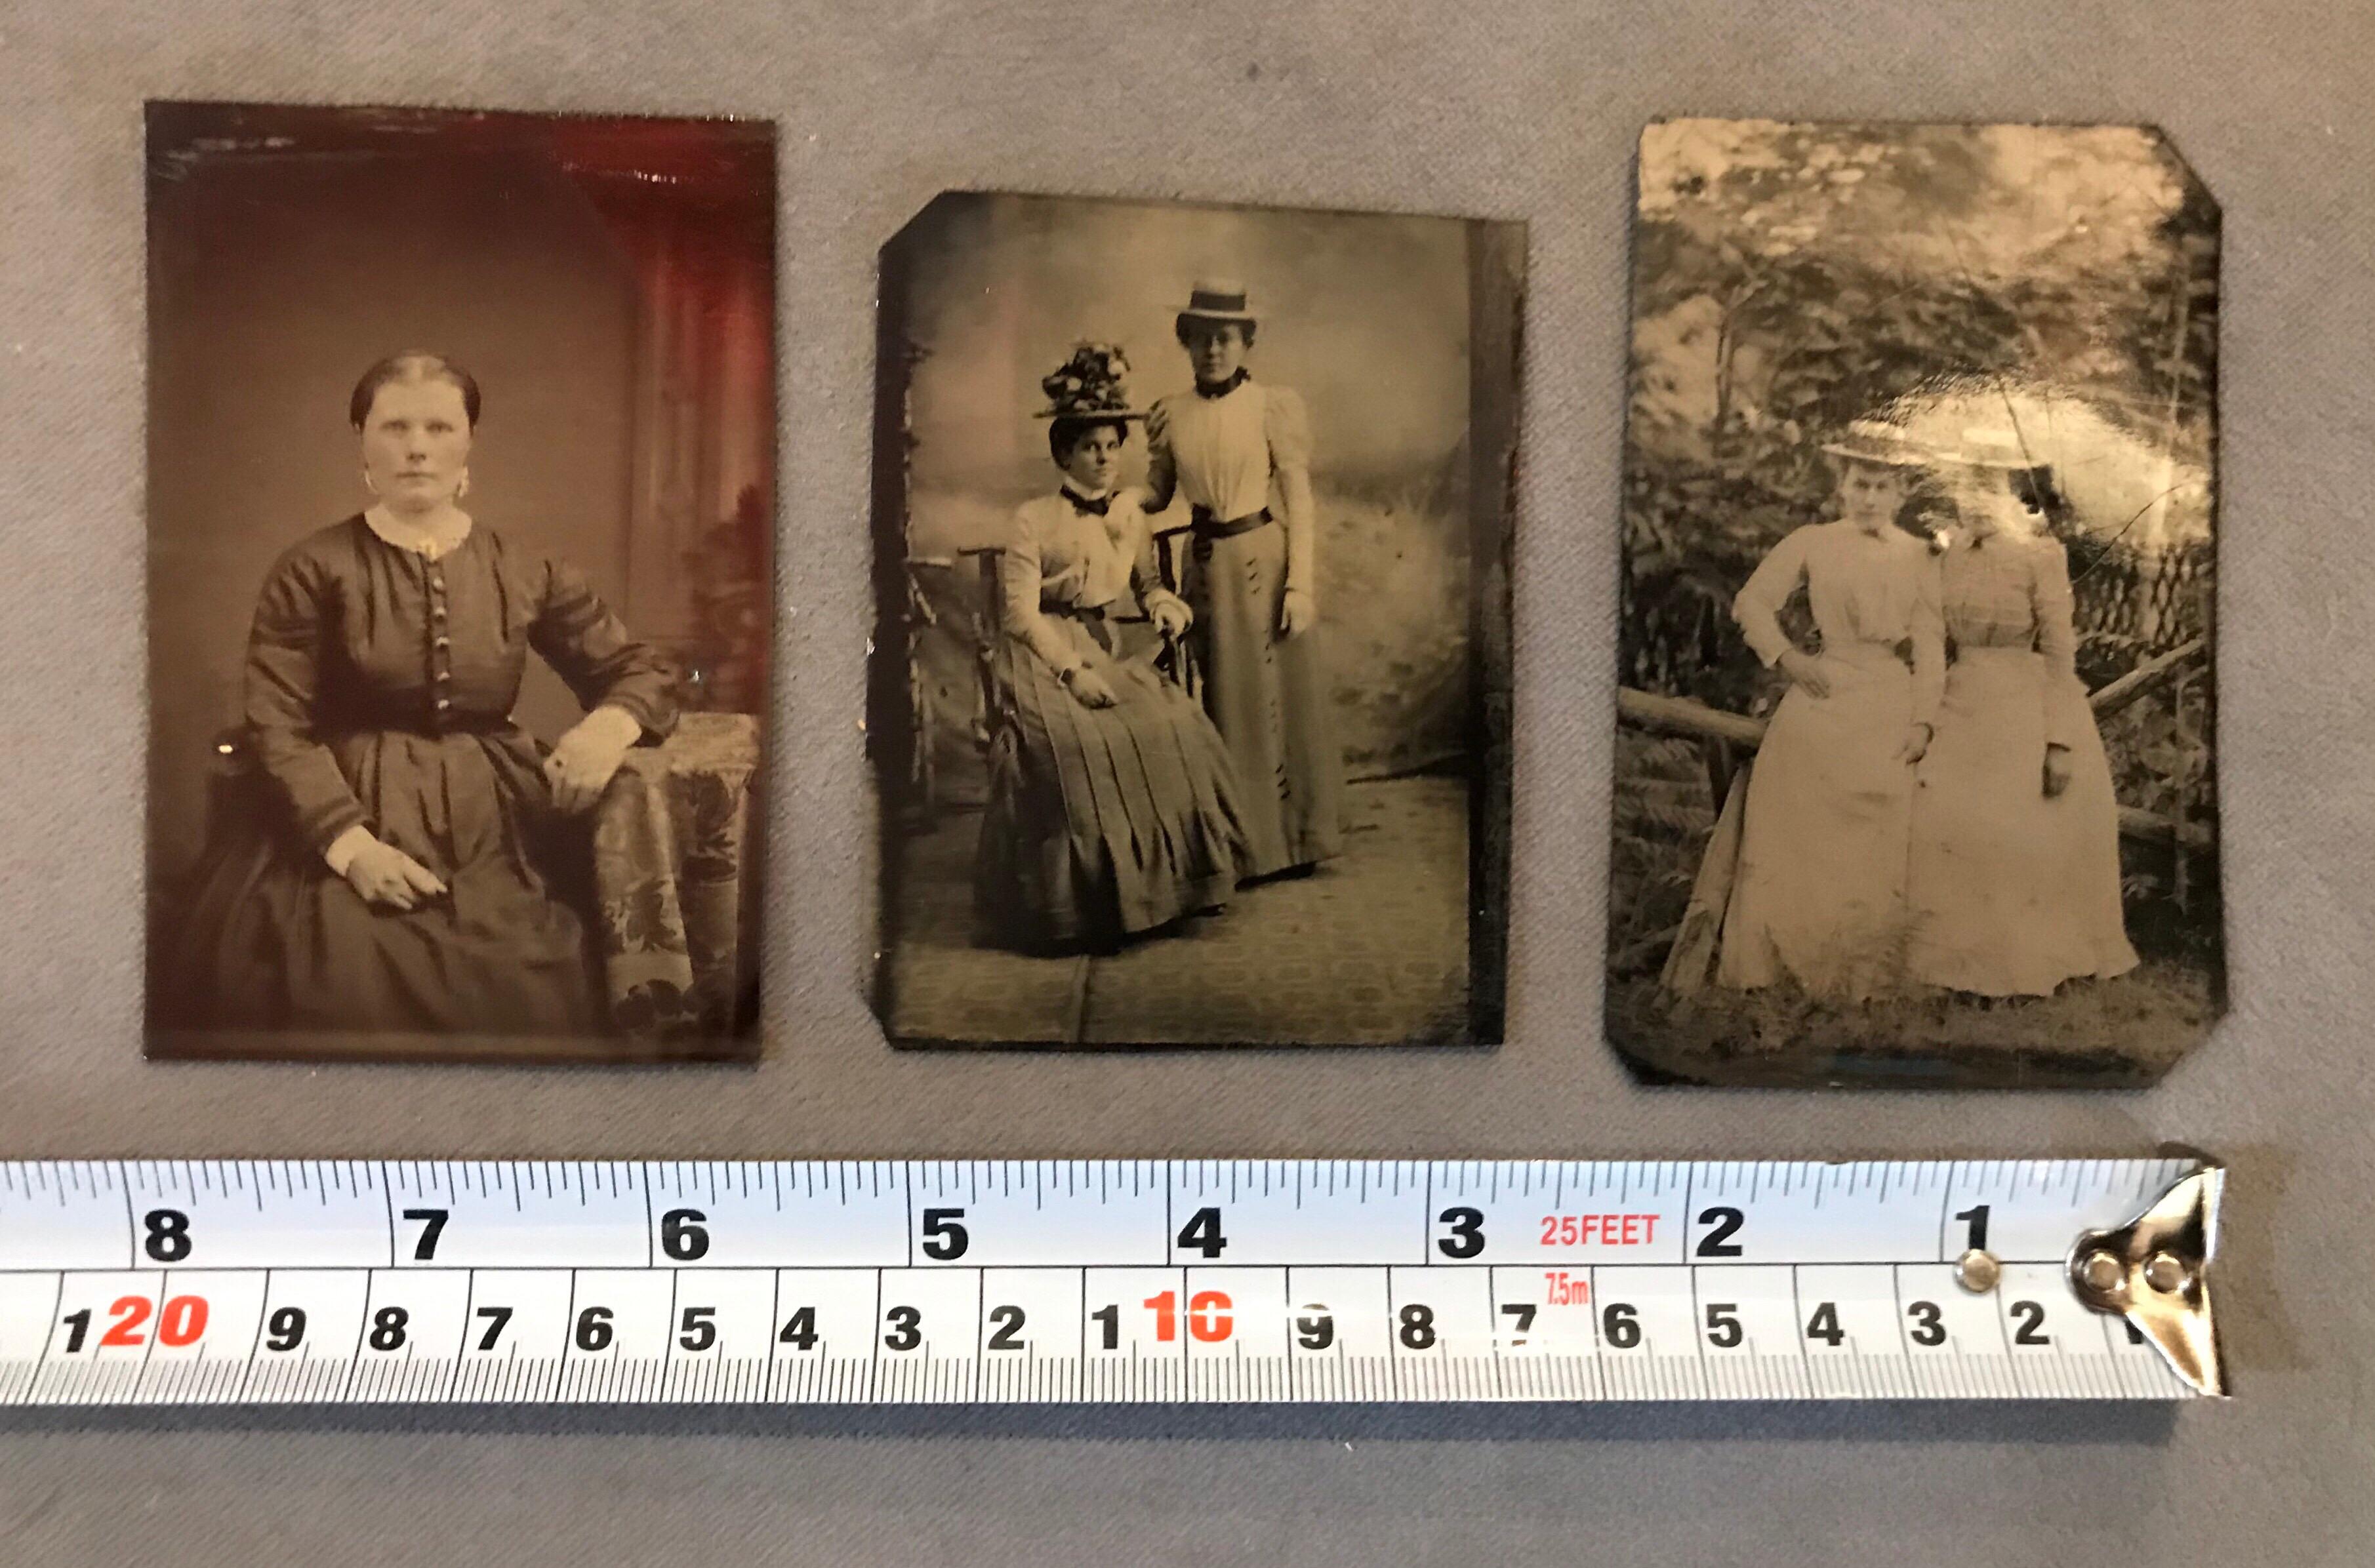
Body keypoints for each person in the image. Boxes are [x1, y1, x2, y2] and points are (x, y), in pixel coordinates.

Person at [160, 351, 678, 1036]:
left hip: (496, 820)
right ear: (363, 441)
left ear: (468, 443)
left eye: (439, 428)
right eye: (395, 427)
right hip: (344, 809)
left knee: (533, 983)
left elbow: (642, 668)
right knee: (341, 981)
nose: (417, 449)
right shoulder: (313, 569)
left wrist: (605, 728)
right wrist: (353, 850)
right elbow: (278, 725)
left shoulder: (523, 567)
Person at [973, 344, 1251, 951]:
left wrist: (1163, 607)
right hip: (1040, 652)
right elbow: (1019, 613)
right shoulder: (1032, 518)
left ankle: (1175, 889)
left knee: (1175, 721)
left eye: (1111, 446)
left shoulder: (1129, 512)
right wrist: (1071, 674)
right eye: (1089, 447)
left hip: (1100, 642)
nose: (1103, 458)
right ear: (1063, 453)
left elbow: (1146, 582)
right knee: (1077, 747)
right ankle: (1087, 906)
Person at [1716, 419, 1945, 999]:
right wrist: (1789, 658)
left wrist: (1922, 721)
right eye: (1860, 484)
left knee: (1875, 834)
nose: (1869, 497)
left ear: (1901, 494)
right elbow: (1752, 602)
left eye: (1882, 487)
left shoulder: (1919, 556)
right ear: (1841, 485)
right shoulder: (1812, 542)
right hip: (1824, 693)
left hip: (1887, 704)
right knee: (1799, 828)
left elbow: (1929, 644)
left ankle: (1857, 980)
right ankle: (1782, 971)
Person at [1906, 430, 2141, 995]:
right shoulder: (1948, 553)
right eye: (1964, 487)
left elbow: (2060, 653)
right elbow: (1930, 640)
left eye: (1986, 487)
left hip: (2024, 705)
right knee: (1948, 823)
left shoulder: (2041, 552)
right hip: (1961, 702)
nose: (1974, 501)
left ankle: (2019, 966)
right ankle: (1954, 968)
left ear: (2010, 490)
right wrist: (1923, 714)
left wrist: (2058, 739)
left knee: (2014, 830)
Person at [1142, 279, 1345, 880]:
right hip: (1202, 563)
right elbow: (1158, 492)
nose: (1212, 350)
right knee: (1221, 698)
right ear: (1185, 342)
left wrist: (1301, 585)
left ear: (1245, 342)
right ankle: (1234, 842)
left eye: (1224, 338)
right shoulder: (1172, 413)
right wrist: (1115, 503)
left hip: (1260, 556)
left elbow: (1299, 499)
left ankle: (1285, 841)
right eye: (1200, 338)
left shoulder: (1270, 406)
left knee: (1270, 698)